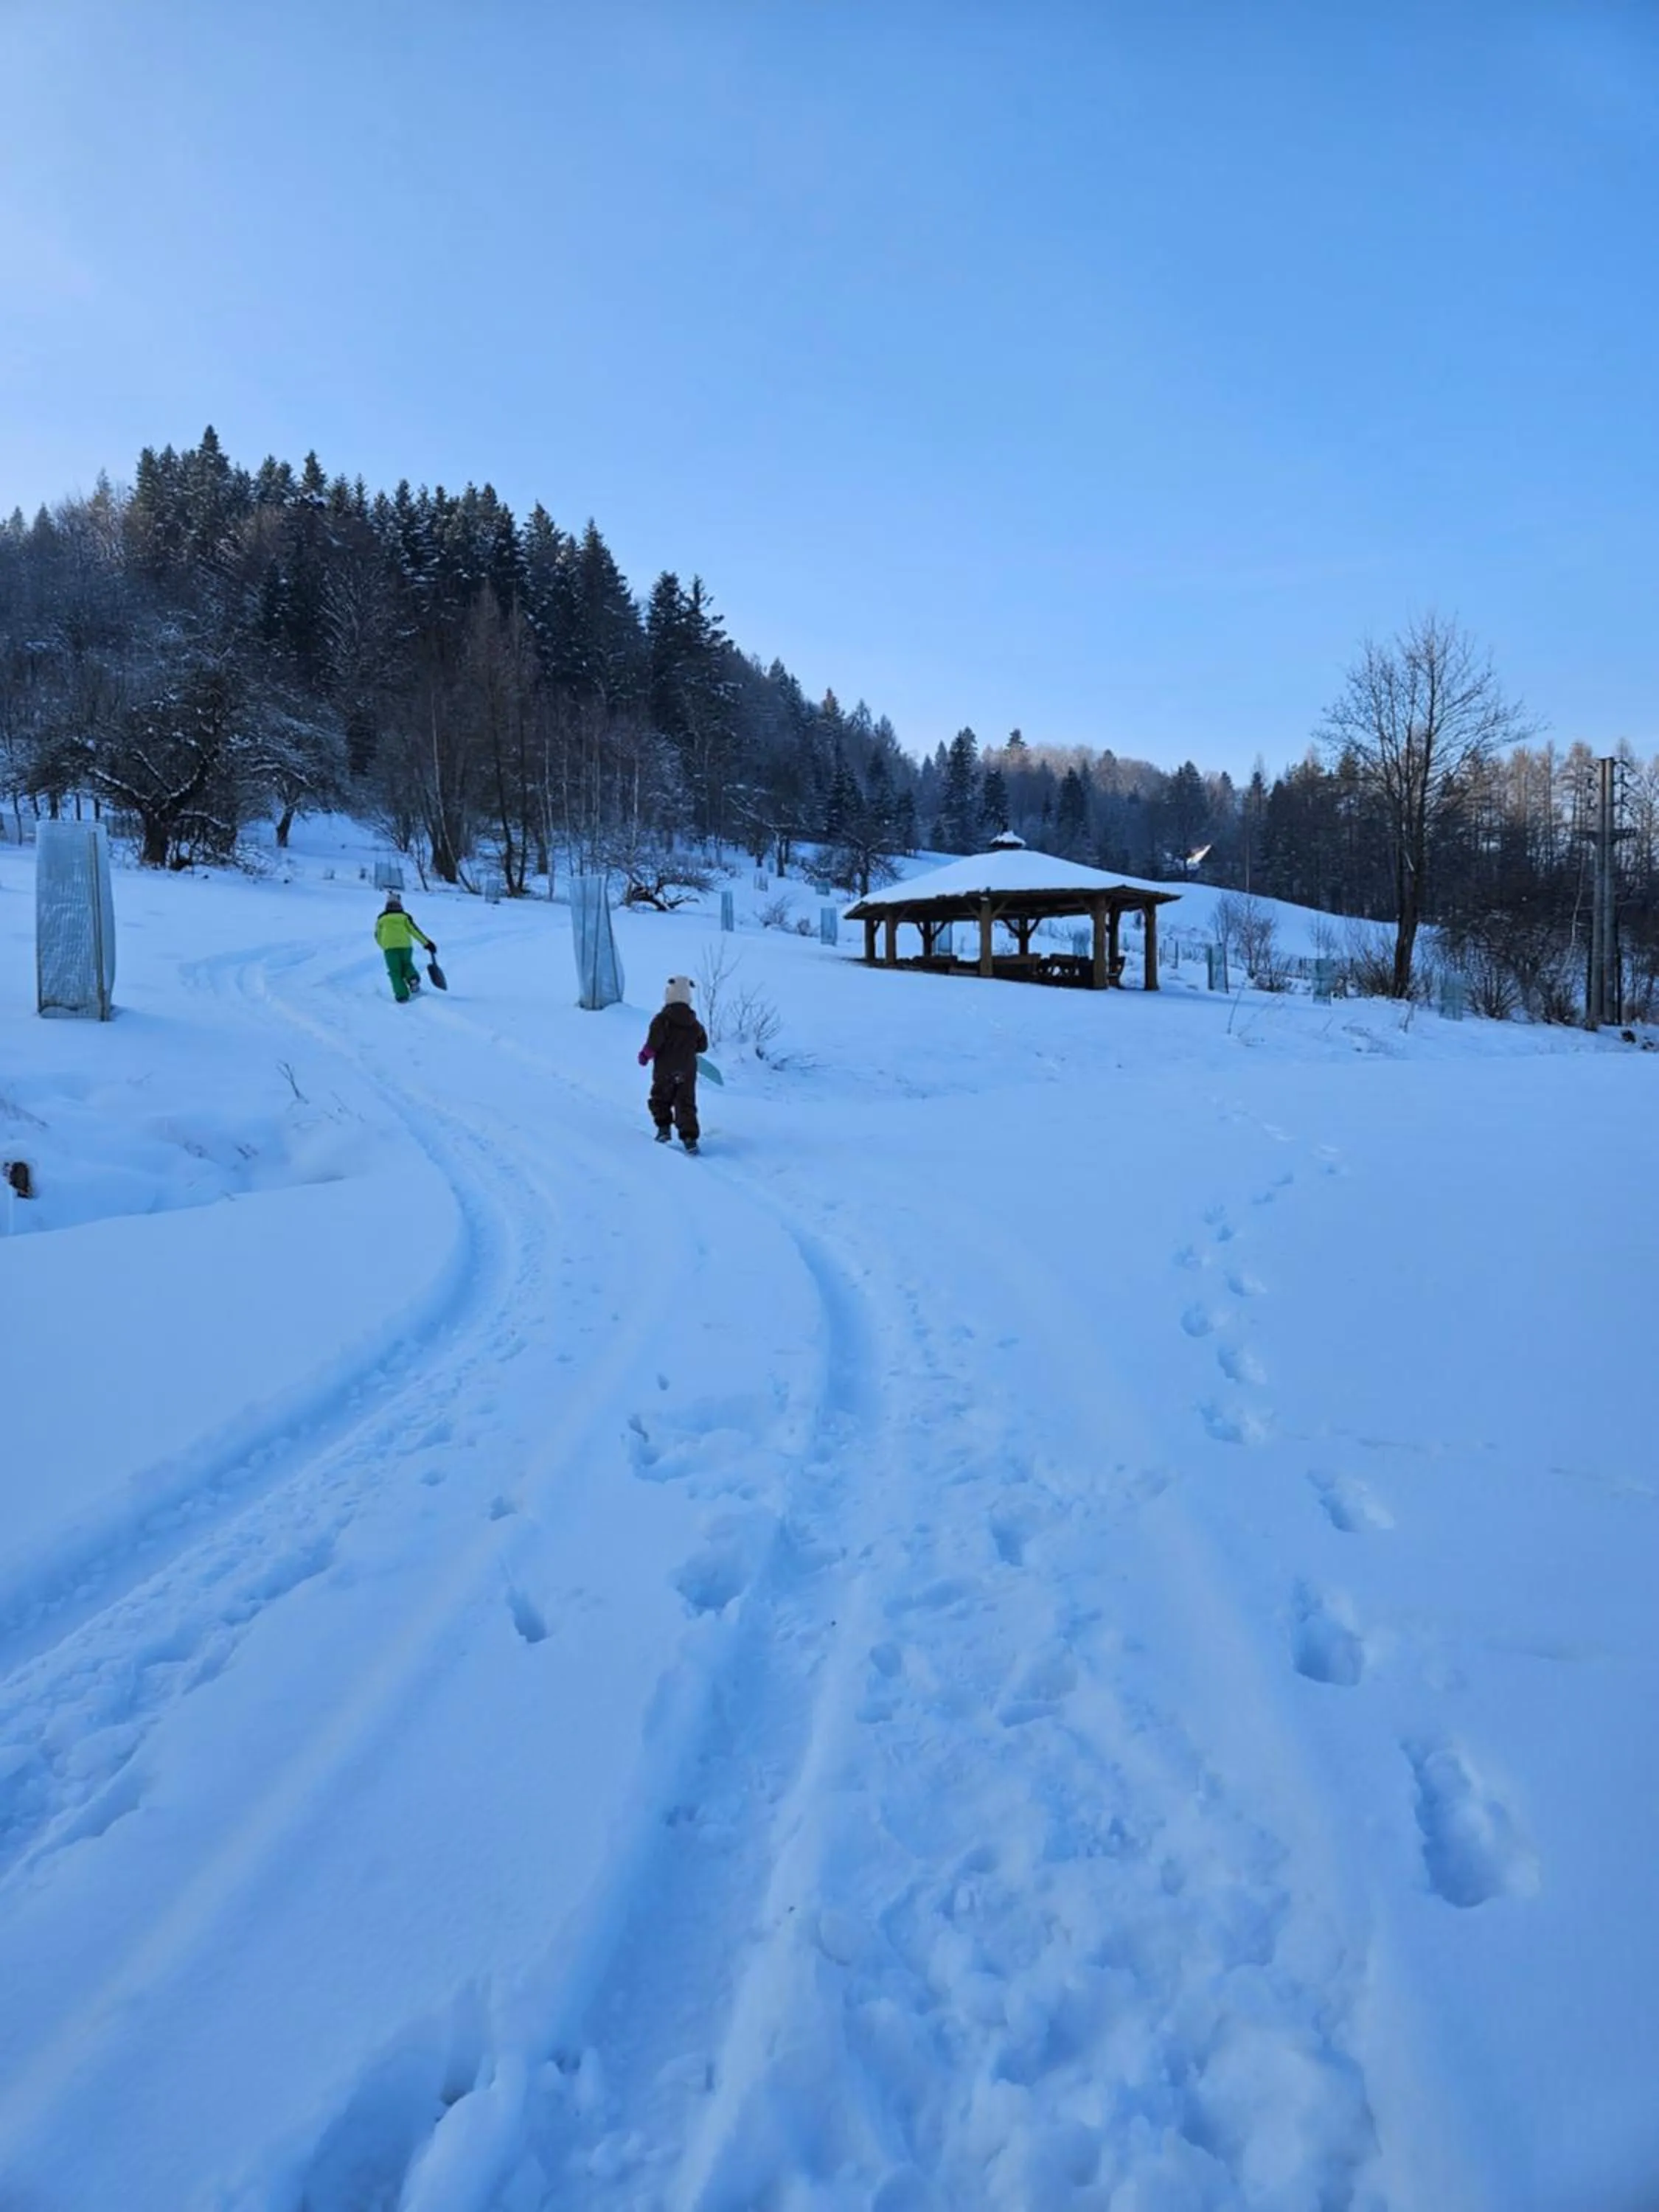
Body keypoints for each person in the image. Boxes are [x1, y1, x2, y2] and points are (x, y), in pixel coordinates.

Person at [638, 976, 708, 1151]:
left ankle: (664, 1129)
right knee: (685, 1102)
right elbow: (703, 1046)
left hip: (665, 1069)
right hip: (687, 1069)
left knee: (660, 1097)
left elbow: (654, 1043)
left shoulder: (662, 1020)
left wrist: (645, 1055)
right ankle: (690, 1138)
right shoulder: (695, 1024)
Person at [373, 891, 436, 1003]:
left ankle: (402, 995)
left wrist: (384, 946)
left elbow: (377, 935)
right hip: (405, 946)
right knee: (407, 964)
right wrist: (427, 943)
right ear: (400, 905)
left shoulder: (381, 918)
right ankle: (412, 978)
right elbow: (415, 931)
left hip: (390, 948)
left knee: (395, 971)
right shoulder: (405, 917)